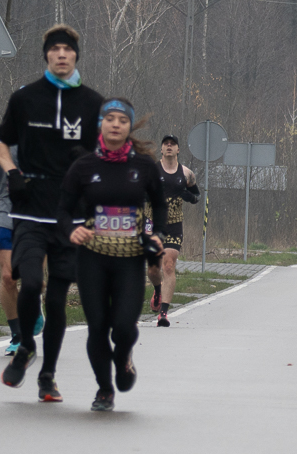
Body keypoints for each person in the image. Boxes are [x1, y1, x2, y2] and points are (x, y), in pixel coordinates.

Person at [0, 24, 103, 402]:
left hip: (70, 214)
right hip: (30, 207)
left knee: (56, 299)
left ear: (76, 55)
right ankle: (26, 344)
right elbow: (1, 144)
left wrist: (89, 163)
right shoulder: (25, 98)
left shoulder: (93, 103)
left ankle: (48, 376)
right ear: (46, 55)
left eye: (67, 50)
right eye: (55, 49)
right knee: (29, 282)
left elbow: (107, 153)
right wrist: (12, 173)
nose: (61, 55)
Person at [60, 98, 167, 412]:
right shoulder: (84, 166)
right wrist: (72, 230)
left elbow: (159, 204)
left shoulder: (144, 166)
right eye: (110, 119)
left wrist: (159, 235)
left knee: (123, 327)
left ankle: (123, 360)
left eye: (122, 120)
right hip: (92, 258)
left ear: (129, 126)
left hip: (130, 259)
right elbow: (63, 209)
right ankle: (104, 389)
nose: (116, 124)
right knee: (97, 327)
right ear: (101, 125)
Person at [0, 133, 37, 356]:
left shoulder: (48, 131)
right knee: (8, 276)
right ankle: (17, 335)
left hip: (37, 215)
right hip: (6, 211)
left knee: (34, 280)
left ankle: (35, 306)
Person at [148, 135, 199, 327]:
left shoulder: (186, 174)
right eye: (166, 144)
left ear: (178, 149)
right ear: (161, 149)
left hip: (174, 224)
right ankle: (158, 290)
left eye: (173, 144)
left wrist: (187, 195)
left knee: (168, 265)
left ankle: (163, 314)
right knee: (153, 269)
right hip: (153, 223)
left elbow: (196, 196)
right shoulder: (152, 170)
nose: (169, 146)